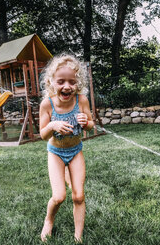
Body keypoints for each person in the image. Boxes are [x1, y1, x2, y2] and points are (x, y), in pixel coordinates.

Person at [39, 54, 94, 242]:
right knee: (59, 196)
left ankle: (78, 237)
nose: (66, 86)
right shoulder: (47, 105)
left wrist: (85, 121)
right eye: (61, 81)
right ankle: (49, 220)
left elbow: (91, 124)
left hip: (76, 151)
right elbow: (43, 134)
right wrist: (52, 126)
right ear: (51, 82)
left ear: (78, 83)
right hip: (55, 153)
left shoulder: (82, 100)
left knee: (78, 195)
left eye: (72, 82)